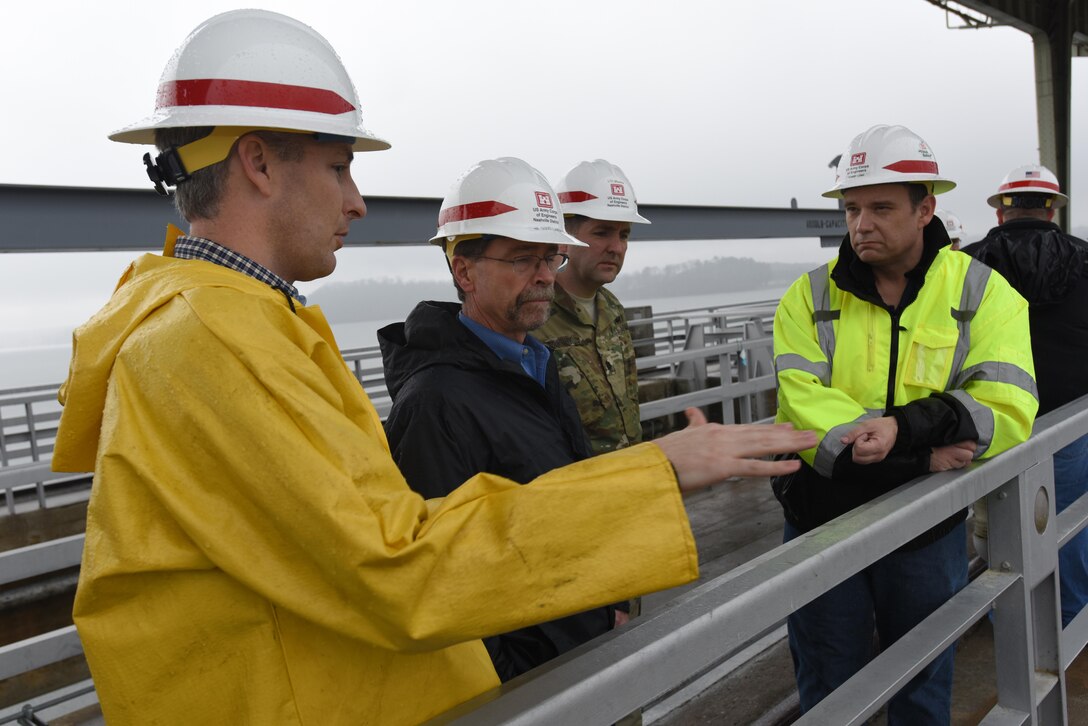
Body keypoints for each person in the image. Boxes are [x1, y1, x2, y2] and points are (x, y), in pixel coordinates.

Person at [49, 11, 817, 725]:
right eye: (340, 166)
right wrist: (654, 474)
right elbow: (398, 565)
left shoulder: (226, 326)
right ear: (256, 161)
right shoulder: (209, 343)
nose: (357, 202)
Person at [772, 124, 1038, 723]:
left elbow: (1009, 406)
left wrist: (903, 429)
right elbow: (801, 410)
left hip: (925, 529)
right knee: (828, 682)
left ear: (926, 209)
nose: (862, 223)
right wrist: (921, 455)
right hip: (822, 519)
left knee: (922, 676)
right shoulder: (806, 299)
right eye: (852, 208)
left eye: (881, 207)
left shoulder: (982, 292)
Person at [381, 157, 632, 681]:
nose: (544, 276)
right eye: (522, 259)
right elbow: (445, 578)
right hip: (535, 677)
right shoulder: (435, 402)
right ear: (464, 270)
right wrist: (516, 681)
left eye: (550, 258)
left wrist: (605, 600)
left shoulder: (532, 363)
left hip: (583, 633)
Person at [962, 163, 1088, 627]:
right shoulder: (1084, 259)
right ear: (1052, 209)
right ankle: (1072, 619)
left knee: (998, 529)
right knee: (1071, 523)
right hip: (1071, 418)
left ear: (1000, 214)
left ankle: (1010, 624)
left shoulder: (967, 265)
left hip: (991, 422)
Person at [535, 159, 649, 455]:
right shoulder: (534, 316)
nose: (617, 247)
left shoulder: (611, 308)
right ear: (563, 235)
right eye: (602, 233)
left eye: (624, 235)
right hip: (576, 490)